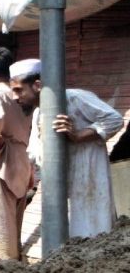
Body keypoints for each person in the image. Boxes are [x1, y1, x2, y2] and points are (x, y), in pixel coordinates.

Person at [11, 58, 124, 239]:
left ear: (37, 85)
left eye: (18, 90)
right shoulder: (39, 112)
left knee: (94, 234)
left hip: (90, 180)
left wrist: (78, 135)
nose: (15, 97)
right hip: (63, 188)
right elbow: (34, 152)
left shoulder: (74, 98)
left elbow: (114, 119)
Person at [0, 47, 34, 259]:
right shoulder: (22, 93)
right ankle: (16, 267)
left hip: (4, 157)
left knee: (3, 223)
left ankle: (8, 268)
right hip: (23, 156)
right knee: (16, 221)